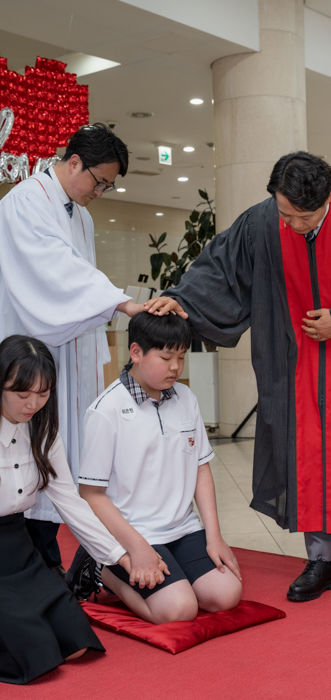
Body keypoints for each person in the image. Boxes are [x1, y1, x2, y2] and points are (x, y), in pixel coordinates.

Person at [146, 152, 331, 601]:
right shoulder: (262, 223)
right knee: (306, 458)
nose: (293, 225)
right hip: (292, 363)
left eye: (304, 217)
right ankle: (319, 561)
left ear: (326, 200)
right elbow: (220, 267)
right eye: (285, 213)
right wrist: (182, 300)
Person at [0, 123, 146, 575]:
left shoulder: (80, 214)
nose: (100, 192)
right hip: (31, 354)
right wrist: (121, 302)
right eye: (98, 181)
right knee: (31, 450)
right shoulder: (25, 202)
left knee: (61, 458)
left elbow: (79, 285)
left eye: (109, 185)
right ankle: (30, 560)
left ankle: (59, 558)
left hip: (68, 350)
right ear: (73, 161)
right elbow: (56, 274)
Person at [68, 312, 242, 623]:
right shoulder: (105, 410)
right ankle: (100, 567)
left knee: (226, 595)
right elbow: (91, 494)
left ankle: (170, 569)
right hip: (133, 532)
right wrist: (135, 549)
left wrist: (214, 536)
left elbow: (201, 468)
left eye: (181, 356)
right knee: (178, 610)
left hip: (182, 528)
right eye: (165, 357)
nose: (175, 367)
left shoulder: (186, 398)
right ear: (136, 352)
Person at [0, 335, 135, 685]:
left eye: (43, 394)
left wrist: (121, 556)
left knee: (75, 645)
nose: (33, 403)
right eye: (22, 393)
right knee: (37, 655)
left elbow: (72, 504)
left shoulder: (43, 431)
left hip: (19, 551)